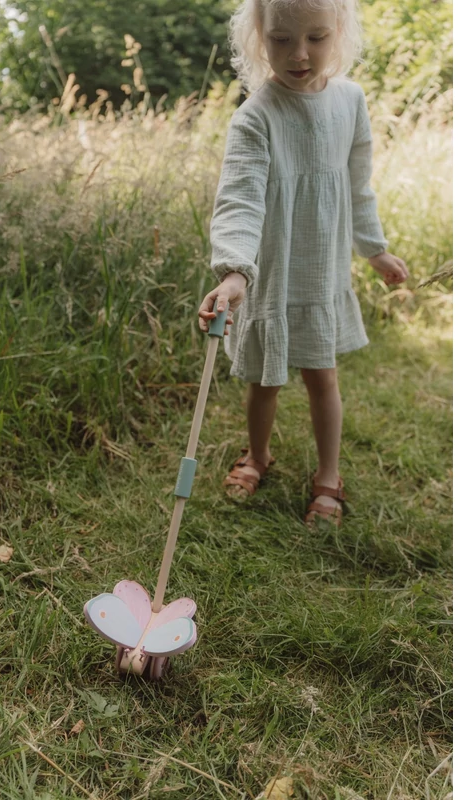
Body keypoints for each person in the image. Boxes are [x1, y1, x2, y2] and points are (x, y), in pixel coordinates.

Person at [198, 0, 408, 526]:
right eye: (281, 39)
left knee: (323, 376)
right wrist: (233, 271)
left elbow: (358, 186)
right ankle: (259, 455)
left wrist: (374, 248)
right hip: (270, 272)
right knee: (264, 380)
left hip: (322, 271)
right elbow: (240, 199)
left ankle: (328, 475)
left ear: (338, 32)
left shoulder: (351, 101)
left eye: (315, 38)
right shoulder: (256, 115)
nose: (299, 54)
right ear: (258, 38)